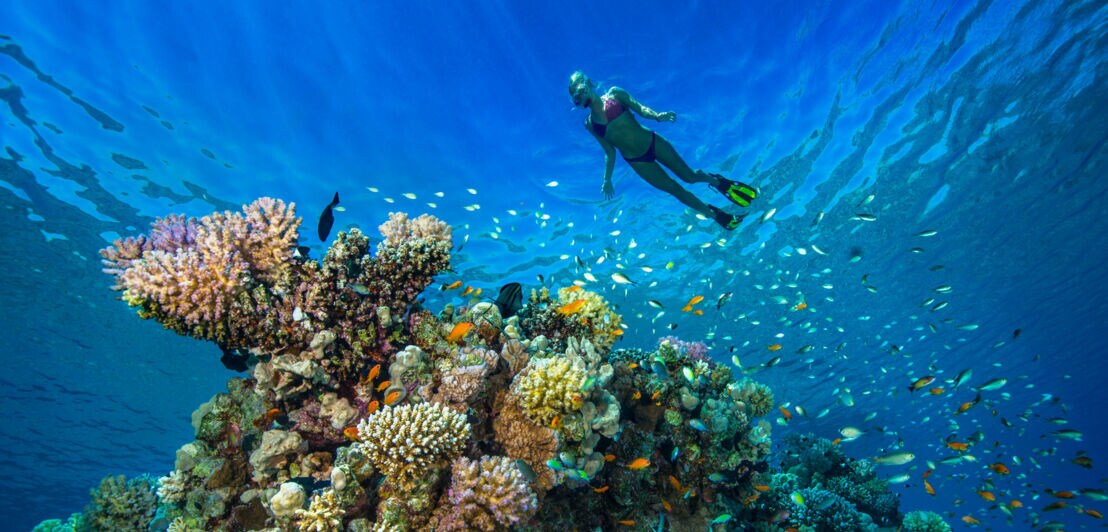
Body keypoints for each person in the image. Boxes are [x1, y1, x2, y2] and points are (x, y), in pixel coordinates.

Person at [568, 71, 757, 230]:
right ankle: (712, 214)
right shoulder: (590, 124)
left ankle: (717, 181)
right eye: (577, 97)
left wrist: (658, 116)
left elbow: (640, 108)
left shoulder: (615, 95)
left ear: (588, 84)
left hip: (652, 142)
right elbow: (609, 151)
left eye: (581, 91)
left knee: (689, 177)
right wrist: (607, 178)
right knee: (675, 190)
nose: (581, 97)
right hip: (637, 161)